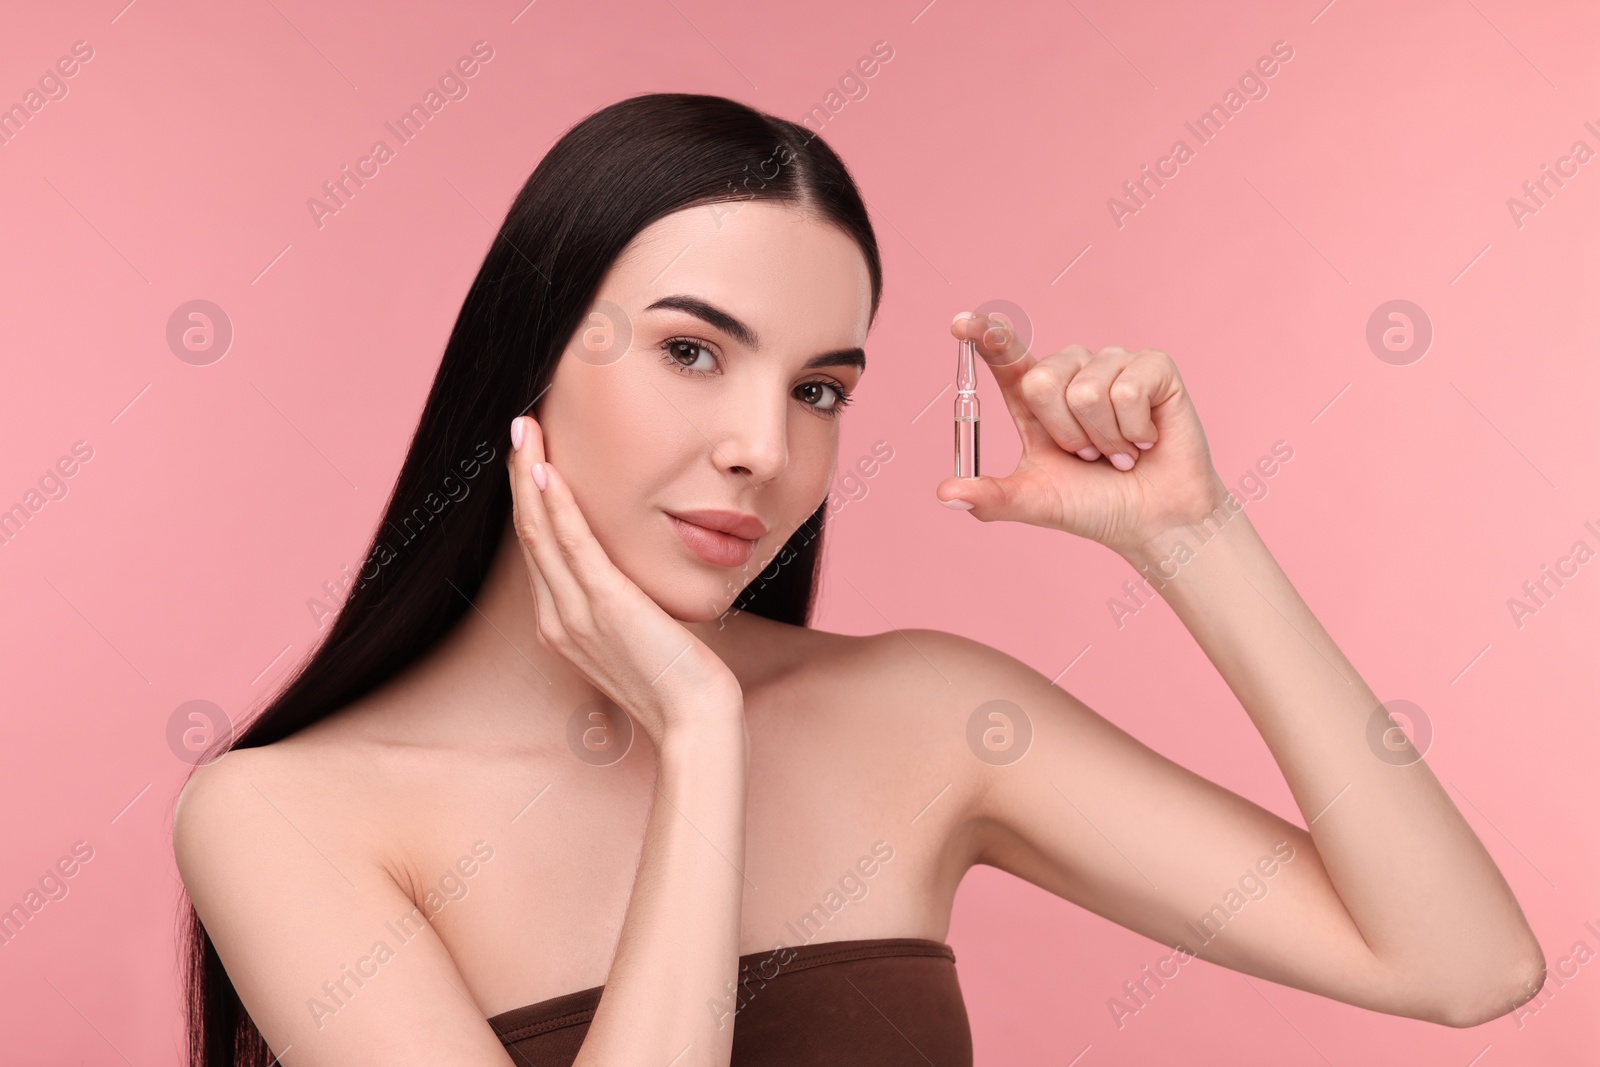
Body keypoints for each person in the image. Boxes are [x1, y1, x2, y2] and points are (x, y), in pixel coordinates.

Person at [170, 92, 1544, 1067]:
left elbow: (1462, 964)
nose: (764, 448)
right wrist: (700, 747)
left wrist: (1190, 536)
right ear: (529, 356)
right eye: (692, 351)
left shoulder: (929, 718)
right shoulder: (285, 820)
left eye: (819, 387)